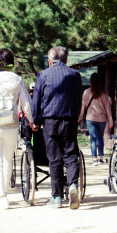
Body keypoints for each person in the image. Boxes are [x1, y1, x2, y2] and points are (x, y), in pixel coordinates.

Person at [0, 49, 34, 210]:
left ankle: (2, 196)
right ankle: (5, 191)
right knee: (7, 159)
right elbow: (26, 104)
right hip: (11, 124)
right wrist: (31, 121)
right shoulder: (17, 80)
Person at [31, 46, 83, 209]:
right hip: (69, 119)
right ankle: (73, 184)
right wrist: (76, 116)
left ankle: (57, 196)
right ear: (66, 60)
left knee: (54, 158)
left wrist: (35, 120)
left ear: (49, 61)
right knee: (70, 154)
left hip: (50, 120)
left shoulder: (43, 75)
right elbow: (78, 98)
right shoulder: (75, 75)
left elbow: (36, 100)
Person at [79, 72, 114, 166]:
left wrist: (79, 117)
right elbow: (107, 108)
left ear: (90, 81)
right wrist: (110, 120)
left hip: (90, 119)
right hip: (102, 119)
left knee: (93, 139)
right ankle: (101, 157)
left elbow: (83, 106)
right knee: (100, 138)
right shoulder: (104, 93)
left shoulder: (86, 92)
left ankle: (94, 159)